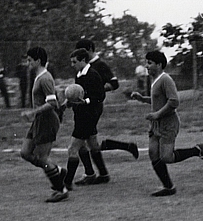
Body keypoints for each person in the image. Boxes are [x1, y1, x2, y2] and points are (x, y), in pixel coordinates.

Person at [130, 50, 203, 196]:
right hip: (156, 125)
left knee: (167, 157)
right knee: (153, 153)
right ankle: (169, 187)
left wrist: (157, 114)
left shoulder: (165, 79)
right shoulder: (154, 80)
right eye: (146, 62)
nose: (146, 66)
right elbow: (158, 100)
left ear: (159, 64)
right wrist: (142, 99)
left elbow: (174, 101)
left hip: (168, 124)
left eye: (150, 63)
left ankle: (197, 150)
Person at [74, 39, 140, 170]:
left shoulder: (100, 65)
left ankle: (90, 173)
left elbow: (114, 83)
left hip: (93, 107)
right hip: (84, 107)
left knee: (81, 142)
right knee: (91, 142)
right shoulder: (82, 66)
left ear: (89, 50)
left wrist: (97, 90)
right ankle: (105, 170)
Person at [19, 47, 67, 203]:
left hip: (47, 120)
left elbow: (52, 103)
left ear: (38, 60)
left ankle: (60, 189)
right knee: (26, 153)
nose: (28, 63)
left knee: (42, 157)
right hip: (39, 120)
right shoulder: (38, 76)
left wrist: (33, 112)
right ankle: (59, 171)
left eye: (30, 60)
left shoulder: (45, 78)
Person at [60, 49, 112, 193]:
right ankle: (101, 174)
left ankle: (67, 183)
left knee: (73, 149)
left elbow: (100, 96)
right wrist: (67, 102)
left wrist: (86, 101)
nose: (72, 65)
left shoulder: (93, 75)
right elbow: (78, 93)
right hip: (82, 113)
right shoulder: (80, 74)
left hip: (88, 115)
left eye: (74, 62)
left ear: (83, 60)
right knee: (91, 144)